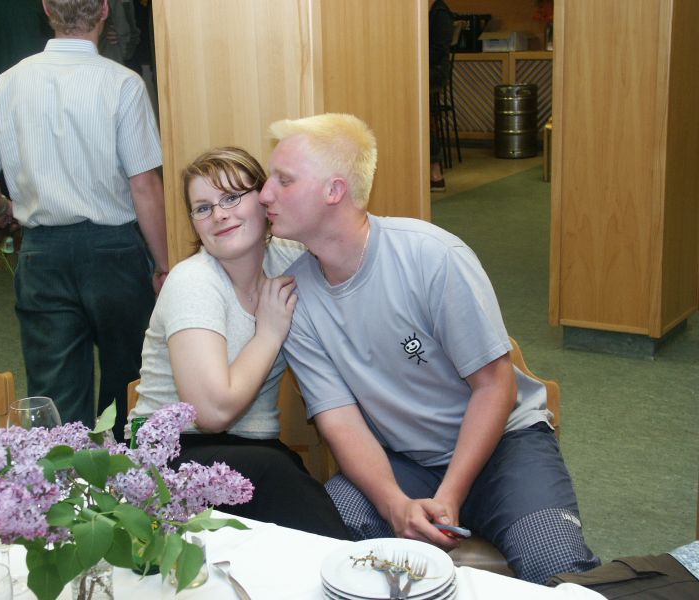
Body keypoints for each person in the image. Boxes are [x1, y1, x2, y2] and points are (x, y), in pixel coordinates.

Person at [258, 113, 600, 583]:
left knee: (556, 568)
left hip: (505, 446)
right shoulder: (296, 295)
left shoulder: (432, 257)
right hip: (404, 459)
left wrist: (451, 494)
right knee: (329, 551)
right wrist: (394, 505)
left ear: (334, 190)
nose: (264, 194)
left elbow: (494, 385)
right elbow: (339, 420)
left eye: (283, 180)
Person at [0, 0, 169, 441]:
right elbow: (144, 184)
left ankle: (64, 478)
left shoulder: (10, 82)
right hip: (115, 250)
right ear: (105, 10)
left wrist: (1, 211)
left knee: (55, 393)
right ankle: (128, 470)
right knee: (131, 379)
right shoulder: (123, 83)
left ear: (46, 9)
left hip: (42, 254)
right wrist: (164, 263)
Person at [128, 146, 349, 539]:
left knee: (289, 479)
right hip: (169, 454)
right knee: (280, 477)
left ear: (264, 202)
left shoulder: (290, 263)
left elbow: (345, 244)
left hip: (252, 451)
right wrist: (269, 333)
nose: (219, 215)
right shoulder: (193, 282)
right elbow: (212, 413)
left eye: (232, 197)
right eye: (203, 208)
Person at [429, 0, 454, 192]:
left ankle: (434, 166)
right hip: (417, 66)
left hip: (435, 69)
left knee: (414, 109)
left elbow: (438, 51)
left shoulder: (440, 12)